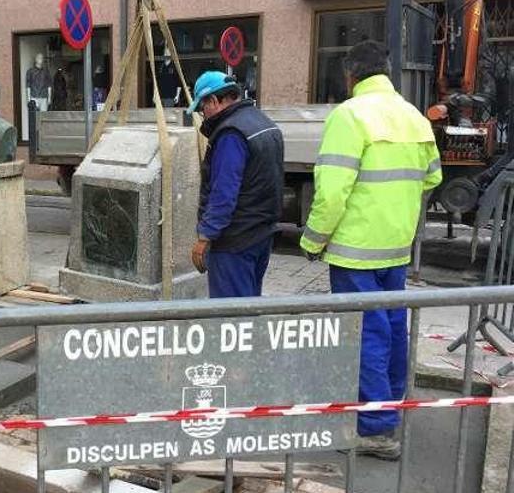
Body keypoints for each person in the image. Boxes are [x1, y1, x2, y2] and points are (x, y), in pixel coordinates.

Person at [299, 41, 442, 460]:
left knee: (365, 335)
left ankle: (376, 429)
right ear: (386, 71)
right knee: (394, 328)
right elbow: (432, 178)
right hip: (395, 247)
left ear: (350, 75)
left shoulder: (349, 115)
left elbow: (332, 193)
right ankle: (390, 406)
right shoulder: (414, 116)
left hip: (354, 251)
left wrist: (313, 241)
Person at [187, 71, 284, 298]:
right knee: (247, 307)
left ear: (214, 101)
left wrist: (204, 237)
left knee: (230, 318)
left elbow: (223, 194)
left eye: (203, 108)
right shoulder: (263, 122)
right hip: (261, 234)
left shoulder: (230, 134)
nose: (204, 115)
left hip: (234, 242)